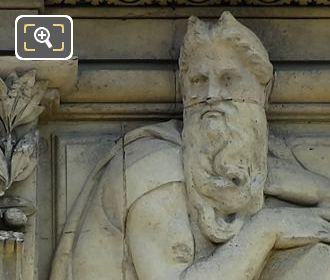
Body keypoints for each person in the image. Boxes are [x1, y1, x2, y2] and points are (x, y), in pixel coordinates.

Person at [50, 12, 330, 280]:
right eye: (198, 81)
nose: (211, 96)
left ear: (264, 91)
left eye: (228, 80)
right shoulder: (150, 168)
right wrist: (267, 229)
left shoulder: (252, 163)